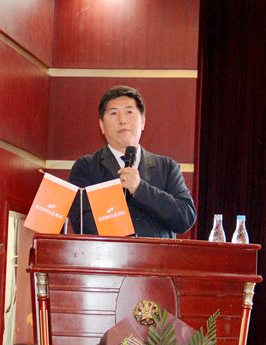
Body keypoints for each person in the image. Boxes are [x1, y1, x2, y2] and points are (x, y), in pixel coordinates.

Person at [68, 85, 196, 238]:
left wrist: (140, 189)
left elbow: (185, 218)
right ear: (102, 125)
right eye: (114, 113)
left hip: (157, 254)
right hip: (107, 253)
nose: (122, 121)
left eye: (129, 112)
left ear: (143, 121)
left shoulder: (167, 167)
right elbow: (81, 222)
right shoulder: (86, 167)